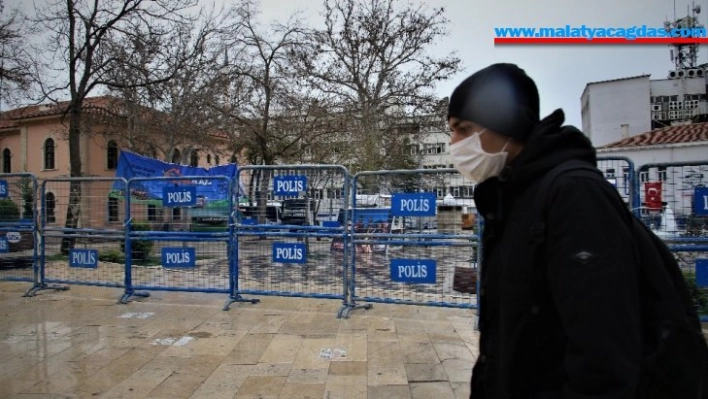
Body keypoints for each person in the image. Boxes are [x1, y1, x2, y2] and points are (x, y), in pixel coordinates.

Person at [447, 63, 708, 398]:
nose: (453, 143)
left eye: (463, 128)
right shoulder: (510, 198)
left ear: (505, 123)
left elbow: (604, 358)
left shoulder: (574, 195)